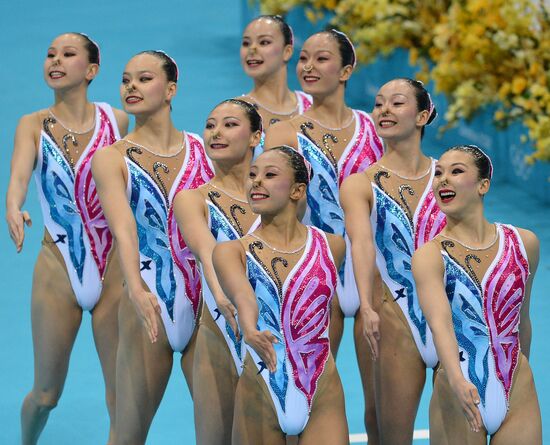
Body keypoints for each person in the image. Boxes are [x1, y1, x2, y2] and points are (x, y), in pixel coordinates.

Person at [6, 32, 128, 445]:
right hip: (58, 265)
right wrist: (13, 205)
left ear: (92, 70)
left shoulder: (118, 121)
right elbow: (20, 176)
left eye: (68, 54)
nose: (55, 60)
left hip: (113, 269)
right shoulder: (33, 124)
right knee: (45, 395)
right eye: (50, 54)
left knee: (121, 395)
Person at [264, 29, 383, 441]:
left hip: (374, 273)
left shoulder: (375, 130)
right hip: (314, 276)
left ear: (347, 70)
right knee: (304, 400)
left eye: (322, 59)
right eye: (304, 59)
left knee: (379, 407)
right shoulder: (283, 135)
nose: (309, 67)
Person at [92, 50, 214, 444]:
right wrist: (136, 288)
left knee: (222, 435)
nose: (132, 86)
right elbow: (123, 230)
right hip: (150, 304)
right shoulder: (112, 159)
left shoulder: (204, 149)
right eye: (126, 79)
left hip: (205, 308)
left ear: (171, 90)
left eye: (144, 79)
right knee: (128, 436)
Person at [213, 146, 348, 445]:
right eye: (252, 175)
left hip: (322, 390)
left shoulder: (333, 246)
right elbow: (243, 295)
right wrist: (249, 328)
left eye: (270, 175)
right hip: (260, 387)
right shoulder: (231, 251)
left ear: (298, 190)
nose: (256, 182)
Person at [412, 145, 542, 444]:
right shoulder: (430, 256)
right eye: (439, 173)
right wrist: (457, 380)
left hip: (516, 389)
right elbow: (440, 324)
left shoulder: (525, 243)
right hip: (459, 392)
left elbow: (522, 318)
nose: (443, 179)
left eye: (456, 171)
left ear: (483, 185)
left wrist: (516, 377)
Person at [341, 78, 444, 444]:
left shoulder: (449, 175)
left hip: (449, 314)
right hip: (392, 314)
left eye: (397, 103)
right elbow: (362, 243)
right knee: (386, 433)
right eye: (379, 103)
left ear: (423, 115)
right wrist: (366, 305)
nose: (384, 110)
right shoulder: (360, 184)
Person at [173, 98, 262, 444]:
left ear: (256, 137)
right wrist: (224, 295)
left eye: (229, 124)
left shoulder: (282, 197)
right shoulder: (192, 199)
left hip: (272, 336)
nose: (216, 133)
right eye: (210, 125)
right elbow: (206, 251)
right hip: (218, 337)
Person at [239, 14, 312, 157]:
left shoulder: (312, 104)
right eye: (246, 43)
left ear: (287, 51)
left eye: (264, 42)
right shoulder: (235, 113)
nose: (252, 49)